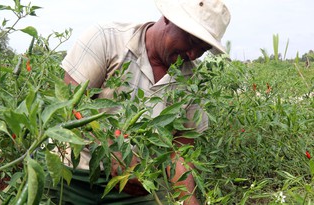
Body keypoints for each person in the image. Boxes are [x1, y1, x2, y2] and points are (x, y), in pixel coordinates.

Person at [57, 0, 231, 204]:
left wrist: (189, 201)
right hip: (72, 172)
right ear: (169, 18)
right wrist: (113, 149)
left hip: (136, 185)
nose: (193, 54)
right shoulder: (107, 39)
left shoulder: (192, 81)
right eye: (192, 41)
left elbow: (179, 153)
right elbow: (69, 105)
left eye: (202, 48)